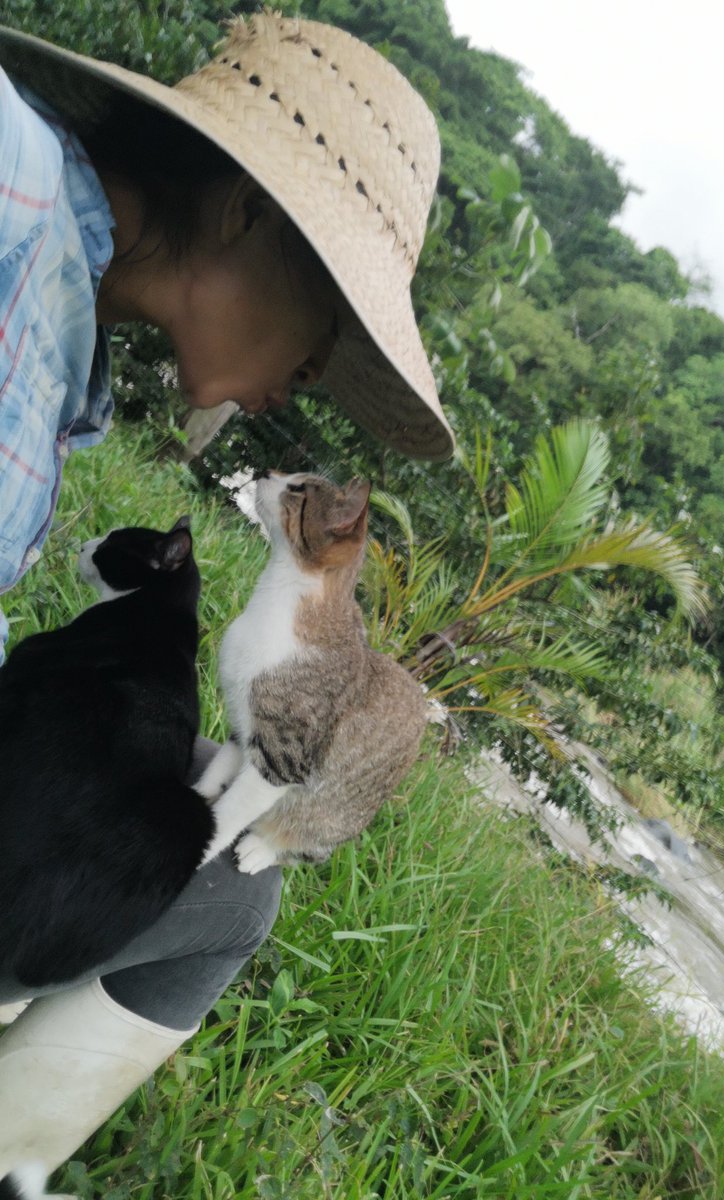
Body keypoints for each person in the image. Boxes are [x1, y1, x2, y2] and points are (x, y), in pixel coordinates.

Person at [0, 12, 455, 1196]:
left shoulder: (70, 341)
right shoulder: (14, 193)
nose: (310, 380)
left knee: (232, 886)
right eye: (329, 333)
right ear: (250, 209)